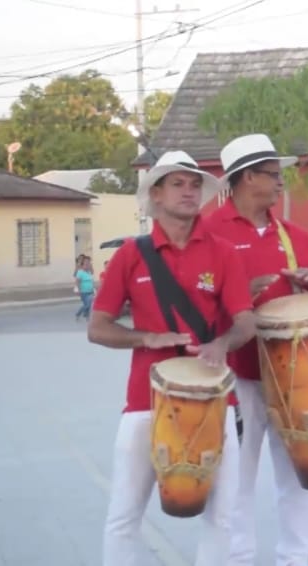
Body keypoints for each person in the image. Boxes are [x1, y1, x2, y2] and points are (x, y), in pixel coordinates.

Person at [88, 150, 256, 566]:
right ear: (157, 195)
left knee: (223, 517)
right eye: (177, 184)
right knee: (124, 516)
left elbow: (246, 322)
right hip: (146, 403)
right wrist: (148, 338)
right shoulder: (131, 254)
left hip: (216, 402)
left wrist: (222, 344)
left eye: (195, 184)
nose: (188, 191)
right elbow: (98, 327)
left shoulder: (222, 252)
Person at [205, 133, 308, 566]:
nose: (281, 183)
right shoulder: (208, 231)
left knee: (298, 475)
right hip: (236, 374)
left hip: (294, 375)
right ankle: (239, 558)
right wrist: (238, 292)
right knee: (236, 480)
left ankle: (294, 560)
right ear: (245, 179)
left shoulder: (292, 233)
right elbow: (193, 297)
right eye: (271, 175)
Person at [74, 255, 96, 320]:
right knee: (87, 305)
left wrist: (90, 265)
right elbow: (77, 282)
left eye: (88, 264)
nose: (87, 265)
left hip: (90, 291)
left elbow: (92, 273)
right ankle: (79, 314)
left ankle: (86, 316)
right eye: (86, 264)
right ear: (82, 265)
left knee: (88, 305)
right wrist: (78, 290)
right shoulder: (80, 272)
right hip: (83, 292)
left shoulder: (89, 272)